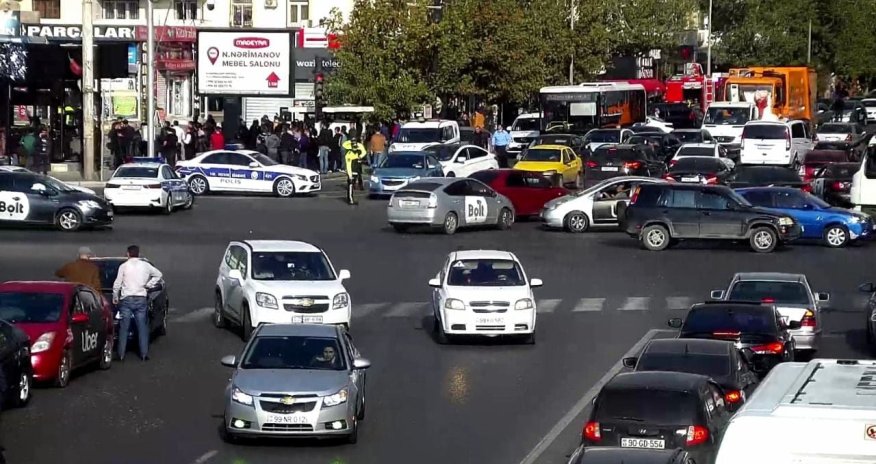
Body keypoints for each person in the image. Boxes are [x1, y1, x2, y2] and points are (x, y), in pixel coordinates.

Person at [112, 245, 162, 362]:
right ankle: (144, 354)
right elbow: (159, 274)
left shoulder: (124, 266)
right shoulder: (145, 265)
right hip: (141, 298)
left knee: (124, 327)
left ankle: (121, 354)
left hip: (127, 299)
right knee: (142, 327)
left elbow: (117, 284)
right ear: (138, 254)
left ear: (128, 254)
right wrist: (149, 285)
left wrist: (115, 296)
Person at [343, 137, 367, 205]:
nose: (355, 149)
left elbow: (364, 152)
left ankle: (351, 198)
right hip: (351, 171)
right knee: (350, 185)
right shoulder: (349, 155)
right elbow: (348, 166)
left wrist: (360, 156)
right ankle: (350, 200)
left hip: (356, 170)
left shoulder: (358, 152)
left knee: (353, 184)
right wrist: (350, 175)